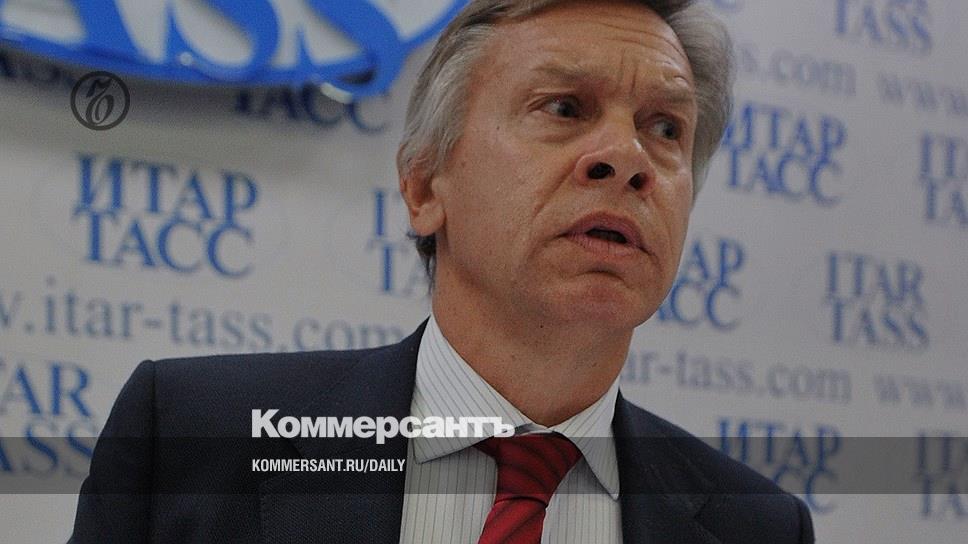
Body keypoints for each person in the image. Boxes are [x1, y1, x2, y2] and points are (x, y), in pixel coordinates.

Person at [71, 0, 815, 542]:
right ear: (426, 186)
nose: (626, 158)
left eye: (664, 127)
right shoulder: (192, 437)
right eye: (564, 107)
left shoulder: (758, 527)